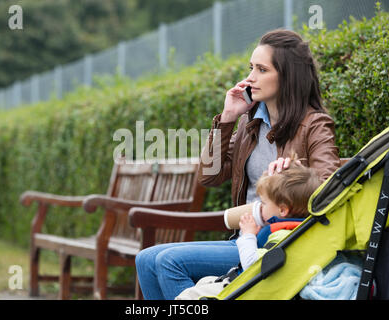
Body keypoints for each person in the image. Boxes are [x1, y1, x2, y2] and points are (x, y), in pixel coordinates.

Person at [135, 28, 340, 300]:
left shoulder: (314, 125)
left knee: (168, 261)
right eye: (251, 68)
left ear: (288, 76)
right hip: (246, 237)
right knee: (146, 260)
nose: (251, 78)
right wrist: (228, 118)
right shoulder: (249, 123)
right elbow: (209, 176)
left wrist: (295, 175)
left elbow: (330, 192)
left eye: (262, 70)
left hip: (281, 243)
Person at [175, 162, 321, 300]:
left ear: (282, 209)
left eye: (264, 203)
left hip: (244, 289)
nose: (260, 207)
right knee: (204, 282)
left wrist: (248, 235)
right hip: (239, 283)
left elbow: (253, 265)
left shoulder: (282, 236)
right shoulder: (299, 232)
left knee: (186, 296)